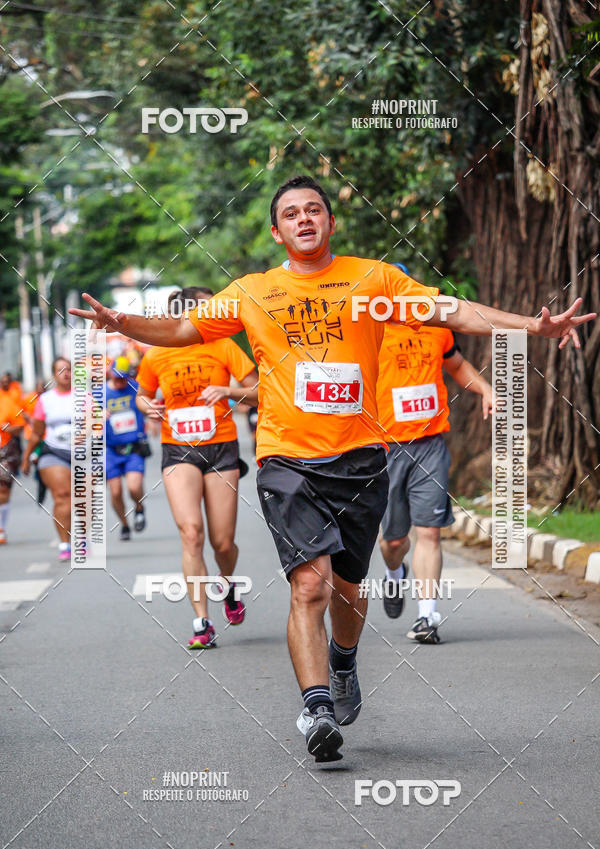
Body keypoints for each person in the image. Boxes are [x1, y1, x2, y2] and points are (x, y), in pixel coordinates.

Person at [71, 174, 594, 763]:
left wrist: (532, 325)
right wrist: (122, 324)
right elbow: (179, 330)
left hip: (361, 456)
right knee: (309, 583)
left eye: (314, 210)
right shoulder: (251, 291)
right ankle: (316, 707)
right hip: (285, 456)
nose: (303, 219)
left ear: (330, 222)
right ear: (276, 231)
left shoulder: (373, 281)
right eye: (291, 213)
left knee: (348, 585)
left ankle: (343, 662)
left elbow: (450, 310)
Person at [136, 287, 259, 649]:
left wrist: (229, 393)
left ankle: (228, 584)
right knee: (191, 533)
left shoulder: (224, 345)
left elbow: (261, 391)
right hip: (178, 450)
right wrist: (147, 407)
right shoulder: (157, 353)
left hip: (221, 448)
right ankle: (201, 621)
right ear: (182, 317)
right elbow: (142, 393)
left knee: (222, 543)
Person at [376, 274, 494, 642]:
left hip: (430, 443)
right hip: (385, 448)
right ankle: (395, 574)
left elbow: (457, 366)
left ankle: (427, 617)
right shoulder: (369, 332)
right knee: (393, 541)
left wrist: (485, 389)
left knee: (429, 531)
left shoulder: (438, 328)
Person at [22, 357, 73, 562]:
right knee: (62, 495)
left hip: (83, 453)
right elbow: (36, 434)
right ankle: (64, 544)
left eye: (69, 369)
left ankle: (83, 540)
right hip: (54, 452)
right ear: (54, 375)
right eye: (61, 370)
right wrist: (26, 458)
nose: (66, 373)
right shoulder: (45, 400)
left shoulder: (85, 396)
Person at [106, 355, 149, 540]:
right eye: (117, 377)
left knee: (134, 486)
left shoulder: (135, 387)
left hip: (134, 446)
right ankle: (124, 525)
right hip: (109, 449)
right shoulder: (101, 393)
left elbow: (148, 402)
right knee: (115, 491)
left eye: (123, 377)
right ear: (110, 373)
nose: (120, 381)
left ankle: (139, 507)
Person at [0, 372, 26, 544]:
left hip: (5, 449)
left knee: (3, 489)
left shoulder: (8, 401)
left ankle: (1, 528)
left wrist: (8, 429)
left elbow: (20, 426)